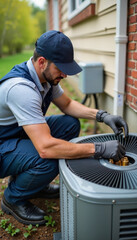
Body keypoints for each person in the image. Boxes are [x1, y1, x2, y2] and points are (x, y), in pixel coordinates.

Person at [0, 30, 128, 225]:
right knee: (51, 158)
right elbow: (46, 148)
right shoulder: (21, 90)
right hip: (2, 146)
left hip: (16, 136)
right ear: (42, 61)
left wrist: (103, 115)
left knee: (69, 124)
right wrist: (99, 149)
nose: (65, 74)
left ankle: (36, 184)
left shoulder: (44, 78)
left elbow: (67, 104)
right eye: (61, 68)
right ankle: (13, 198)